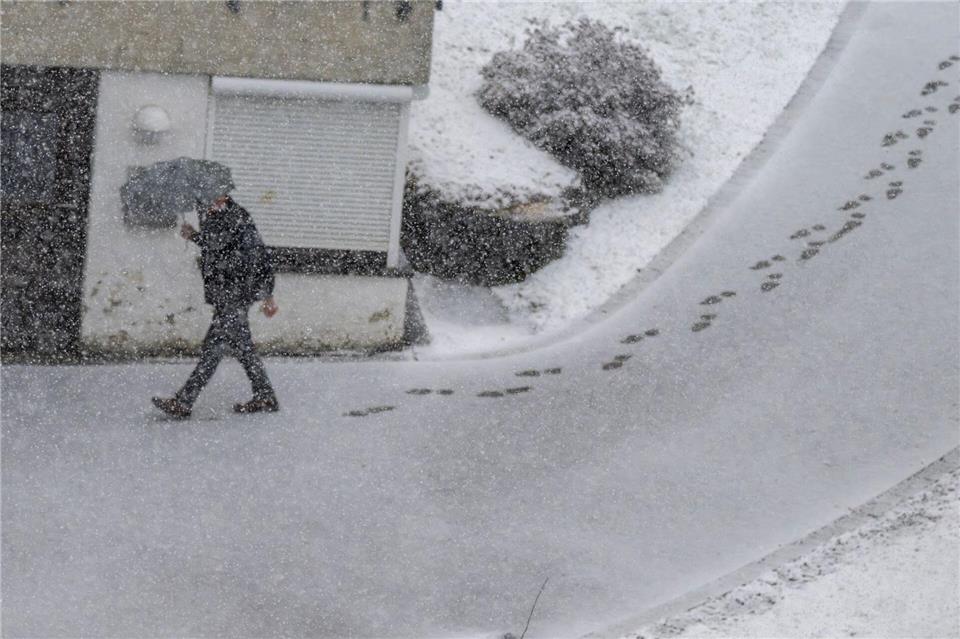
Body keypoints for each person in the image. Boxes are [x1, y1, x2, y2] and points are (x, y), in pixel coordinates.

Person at [152, 194, 279, 419]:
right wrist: (196, 236)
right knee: (243, 349)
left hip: (235, 294)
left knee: (214, 348)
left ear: (223, 197)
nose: (207, 206)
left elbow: (252, 254)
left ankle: (184, 402)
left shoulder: (235, 216)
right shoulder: (221, 217)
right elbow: (220, 246)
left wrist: (266, 294)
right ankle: (265, 396)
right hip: (227, 295)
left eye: (211, 200)